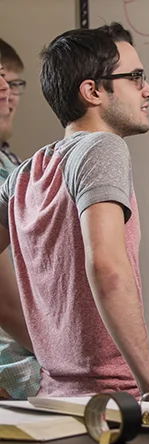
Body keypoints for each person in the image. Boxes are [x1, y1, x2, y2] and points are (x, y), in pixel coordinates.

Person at [0, 22, 149, 401]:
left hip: (52, 397)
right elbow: (108, 270)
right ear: (92, 91)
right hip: (111, 401)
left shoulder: (25, 174)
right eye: (136, 78)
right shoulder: (101, 148)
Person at [0, 38, 41, 400]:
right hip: (13, 360)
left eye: (14, 84)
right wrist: (58, 352)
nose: (8, 95)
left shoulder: (12, 166)